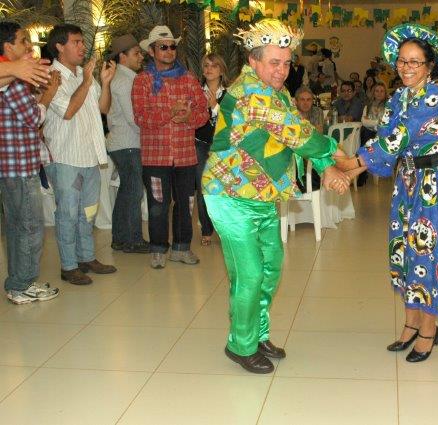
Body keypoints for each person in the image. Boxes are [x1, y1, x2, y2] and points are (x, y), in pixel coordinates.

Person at [201, 18, 351, 374]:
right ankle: (241, 344)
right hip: (230, 194)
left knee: (270, 267)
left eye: (286, 63)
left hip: (262, 195)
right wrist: (334, 158)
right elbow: (295, 132)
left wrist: (327, 165)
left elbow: (295, 134)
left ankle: (258, 334)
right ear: (253, 60)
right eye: (274, 62)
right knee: (250, 273)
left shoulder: (278, 91)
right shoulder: (249, 92)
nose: (282, 70)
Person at [336, 24, 438, 363]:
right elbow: (385, 138)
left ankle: (428, 331)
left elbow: (399, 137)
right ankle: (411, 323)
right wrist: (352, 170)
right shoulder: (399, 96)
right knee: (407, 254)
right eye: (402, 61)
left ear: (430, 65)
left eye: (414, 62)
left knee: (429, 257)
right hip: (409, 181)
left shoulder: (435, 95)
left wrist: (350, 164)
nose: (406, 68)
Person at [43, 24, 117, 285]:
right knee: (68, 213)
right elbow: (68, 111)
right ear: (59, 46)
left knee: (88, 211)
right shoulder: (51, 76)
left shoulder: (81, 74)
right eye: (76, 42)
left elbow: (103, 108)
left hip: (89, 155)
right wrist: (87, 80)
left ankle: (86, 257)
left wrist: (104, 83)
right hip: (65, 157)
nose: (82, 47)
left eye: (82, 42)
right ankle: (69, 265)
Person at [132, 26, 209, 269]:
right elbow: (141, 117)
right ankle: (158, 250)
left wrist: (188, 117)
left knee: (186, 203)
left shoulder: (188, 79)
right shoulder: (143, 80)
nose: (169, 51)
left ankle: (181, 248)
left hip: (185, 156)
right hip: (156, 157)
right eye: (163, 47)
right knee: (158, 205)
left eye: (172, 46)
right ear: (152, 51)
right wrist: (170, 112)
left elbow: (203, 113)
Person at [0, 21, 61, 303]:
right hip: (19, 167)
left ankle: (19, 282)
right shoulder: (11, 83)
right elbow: (34, 118)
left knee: (18, 228)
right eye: (23, 40)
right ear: (7, 47)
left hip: (14, 166)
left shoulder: (11, 80)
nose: (29, 46)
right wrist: (48, 96)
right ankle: (20, 285)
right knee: (29, 227)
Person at [106, 34, 149, 254]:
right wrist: (151, 134)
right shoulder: (124, 81)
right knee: (133, 192)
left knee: (126, 191)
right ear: (122, 56)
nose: (141, 57)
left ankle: (120, 238)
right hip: (128, 143)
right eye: (136, 53)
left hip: (123, 143)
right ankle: (133, 240)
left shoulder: (125, 78)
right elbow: (134, 118)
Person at [195, 53, 228, 246]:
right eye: (206, 65)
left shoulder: (229, 94)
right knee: (202, 188)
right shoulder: (196, 92)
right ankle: (206, 230)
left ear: (221, 70)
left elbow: (231, 122)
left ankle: (224, 229)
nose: (209, 69)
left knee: (223, 189)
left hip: (223, 147)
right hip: (200, 144)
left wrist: (215, 106)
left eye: (214, 66)